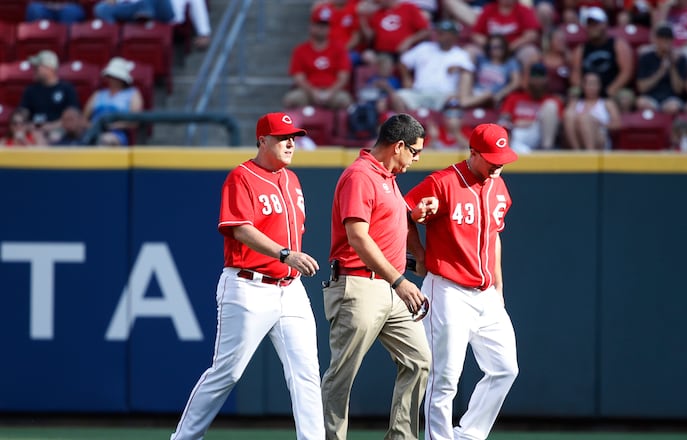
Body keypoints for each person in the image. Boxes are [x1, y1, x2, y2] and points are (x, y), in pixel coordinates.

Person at [170, 112, 324, 440]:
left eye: (293, 137)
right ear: (262, 141)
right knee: (227, 372)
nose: (290, 143)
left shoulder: (291, 179)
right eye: (283, 137)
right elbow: (239, 229)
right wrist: (285, 254)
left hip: (290, 288)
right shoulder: (242, 177)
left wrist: (289, 260)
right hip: (248, 285)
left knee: (306, 373)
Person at [403, 122, 519, 440]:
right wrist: (420, 253)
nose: (499, 163)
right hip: (448, 289)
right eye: (492, 157)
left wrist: (499, 286)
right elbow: (404, 213)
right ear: (473, 153)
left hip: (486, 294)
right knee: (445, 379)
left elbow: (494, 237)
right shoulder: (443, 182)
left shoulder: (499, 186)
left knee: (505, 368)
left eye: (502, 157)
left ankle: (469, 435)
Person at [321, 113, 434, 440]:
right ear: (398, 145)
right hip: (358, 284)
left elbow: (386, 235)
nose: (416, 159)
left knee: (419, 361)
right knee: (342, 374)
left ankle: (401, 438)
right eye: (414, 151)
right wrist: (400, 281)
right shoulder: (360, 175)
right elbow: (358, 237)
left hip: (390, 287)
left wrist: (407, 264)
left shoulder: (388, 179)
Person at [397, 19, 476, 148]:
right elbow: (403, 62)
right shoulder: (424, 48)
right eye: (439, 32)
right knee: (397, 97)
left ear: (454, 36)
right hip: (418, 93)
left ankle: (445, 138)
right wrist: (406, 79)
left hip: (444, 96)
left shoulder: (460, 55)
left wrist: (459, 68)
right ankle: (403, 132)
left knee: (454, 101)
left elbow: (469, 73)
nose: (440, 36)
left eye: (445, 33)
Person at [283, 7, 353, 110]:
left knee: (345, 101)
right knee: (291, 99)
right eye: (318, 25)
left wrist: (330, 92)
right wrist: (313, 92)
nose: (321, 28)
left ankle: (337, 126)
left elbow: (343, 77)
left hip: (333, 91)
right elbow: (298, 77)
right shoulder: (300, 50)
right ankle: (291, 126)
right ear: (311, 26)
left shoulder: (339, 49)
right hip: (307, 91)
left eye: (325, 25)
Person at [570, 6, 634, 110]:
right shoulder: (581, 49)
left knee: (625, 98)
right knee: (573, 93)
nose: (592, 27)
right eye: (590, 24)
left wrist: (611, 89)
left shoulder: (618, 45)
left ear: (605, 24)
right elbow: (575, 74)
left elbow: (626, 72)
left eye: (596, 24)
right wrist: (586, 89)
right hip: (588, 88)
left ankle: (618, 124)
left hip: (613, 87)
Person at [499, 62, 563, 152]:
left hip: (539, 133)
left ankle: (547, 151)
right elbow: (503, 120)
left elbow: (556, 126)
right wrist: (513, 124)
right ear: (528, 78)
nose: (537, 80)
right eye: (534, 76)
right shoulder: (514, 97)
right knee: (514, 135)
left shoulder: (554, 100)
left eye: (540, 76)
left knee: (550, 106)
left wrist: (531, 122)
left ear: (547, 79)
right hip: (516, 135)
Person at [19, 50, 81, 141]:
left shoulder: (66, 89)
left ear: (49, 68)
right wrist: (27, 125)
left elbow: (73, 117)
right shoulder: (30, 90)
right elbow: (22, 113)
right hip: (34, 130)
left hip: (58, 130)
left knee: (55, 136)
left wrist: (50, 126)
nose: (34, 69)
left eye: (37, 67)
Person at [84, 57, 145, 146]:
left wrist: (113, 125)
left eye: (116, 76)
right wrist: (93, 127)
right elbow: (84, 117)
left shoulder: (133, 94)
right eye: (111, 76)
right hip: (93, 131)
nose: (113, 79)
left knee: (104, 140)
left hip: (117, 134)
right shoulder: (98, 94)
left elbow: (135, 121)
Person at [635, 24, 687, 115]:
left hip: (671, 98)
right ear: (656, 40)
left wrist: (672, 65)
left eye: (668, 39)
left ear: (672, 41)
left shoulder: (680, 59)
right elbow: (642, 88)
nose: (665, 42)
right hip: (650, 96)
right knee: (641, 102)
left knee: (673, 107)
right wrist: (661, 71)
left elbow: (679, 89)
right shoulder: (646, 58)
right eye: (662, 39)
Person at [458, 34, 522, 109]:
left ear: (505, 47)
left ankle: (463, 103)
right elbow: (469, 55)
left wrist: (500, 95)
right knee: (466, 74)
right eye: (493, 47)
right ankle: (466, 101)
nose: (496, 50)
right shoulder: (483, 59)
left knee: (487, 94)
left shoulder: (510, 63)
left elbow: (516, 83)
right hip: (476, 92)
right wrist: (456, 67)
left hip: (492, 96)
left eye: (499, 47)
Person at [563, 71, 621, 150]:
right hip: (577, 137)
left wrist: (599, 123)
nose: (591, 87)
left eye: (594, 84)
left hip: (599, 136)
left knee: (584, 118)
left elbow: (618, 124)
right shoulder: (575, 103)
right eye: (589, 84)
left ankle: (590, 152)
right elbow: (567, 121)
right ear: (583, 86)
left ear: (600, 86)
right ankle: (576, 151)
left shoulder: (606, 103)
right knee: (569, 114)